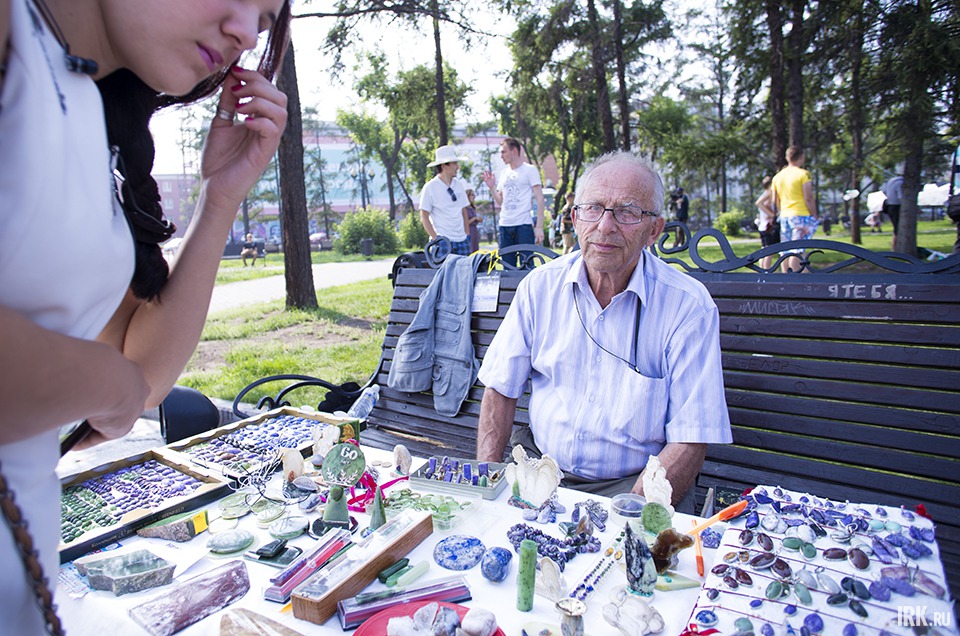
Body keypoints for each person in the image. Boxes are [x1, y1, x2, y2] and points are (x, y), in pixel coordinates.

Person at [0, 0, 291, 631]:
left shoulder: (86, 97)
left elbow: (144, 370)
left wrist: (220, 196)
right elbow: (124, 384)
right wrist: (108, 387)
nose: (245, 30)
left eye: (264, 22)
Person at [475, 151, 732, 509]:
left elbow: (691, 438)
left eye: (627, 212)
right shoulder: (539, 288)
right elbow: (500, 388)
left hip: (633, 485)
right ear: (575, 218)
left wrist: (626, 515)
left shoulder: (687, 306)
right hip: (538, 471)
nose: (605, 226)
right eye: (593, 209)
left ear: (654, 230)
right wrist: (485, 484)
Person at [482, 138, 547, 266]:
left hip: (523, 225)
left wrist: (539, 227)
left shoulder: (530, 170)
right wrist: (491, 187)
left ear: (514, 150)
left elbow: (539, 198)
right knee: (507, 268)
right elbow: (500, 201)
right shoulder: (504, 173)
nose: (501, 156)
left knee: (526, 266)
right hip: (505, 225)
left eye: (503, 152)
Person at [771, 145, 819, 273]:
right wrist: (814, 214)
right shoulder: (803, 174)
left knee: (785, 249)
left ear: (787, 157)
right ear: (801, 157)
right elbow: (808, 197)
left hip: (785, 215)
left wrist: (782, 210)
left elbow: (775, 199)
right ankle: (796, 278)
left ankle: (786, 278)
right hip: (800, 214)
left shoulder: (777, 177)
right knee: (798, 250)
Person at [419, 145, 471, 256]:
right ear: (444, 166)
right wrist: (436, 239)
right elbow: (424, 216)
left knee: (464, 273)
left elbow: (463, 211)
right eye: (454, 164)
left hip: (462, 240)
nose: (457, 167)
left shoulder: (459, 185)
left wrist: (467, 235)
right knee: (443, 273)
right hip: (443, 241)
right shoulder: (430, 187)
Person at [754, 176, 779, 270]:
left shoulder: (765, 193)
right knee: (770, 250)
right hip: (768, 226)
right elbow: (759, 203)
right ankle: (766, 270)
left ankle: (763, 269)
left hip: (762, 226)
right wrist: (772, 215)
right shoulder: (769, 193)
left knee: (764, 249)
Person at [882, 174, 903, 250]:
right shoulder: (900, 183)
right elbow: (901, 197)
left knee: (896, 228)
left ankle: (895, 247)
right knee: (898, 229)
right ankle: (895, 248)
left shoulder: (891, 181)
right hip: (896, 206)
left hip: (889, 205)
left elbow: (883, 191)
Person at [465, 188, 482, 254]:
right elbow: (465, 222)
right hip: (468, 230)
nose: (474, 197)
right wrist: (474, 219)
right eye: (472, 195)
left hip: (474, 230)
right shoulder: (465, 209)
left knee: (475, 249)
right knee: (470, 249)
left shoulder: (473, 208)